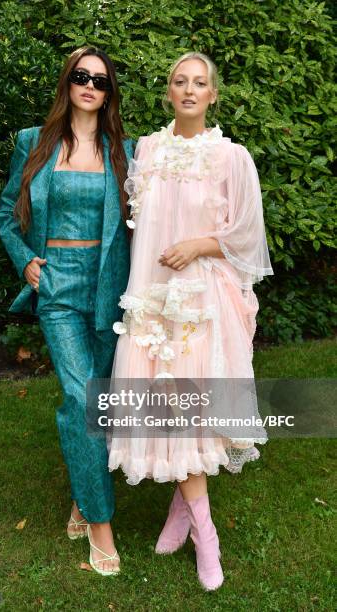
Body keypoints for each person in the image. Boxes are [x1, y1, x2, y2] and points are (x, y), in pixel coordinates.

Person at [108, 52, 274, 590]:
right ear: (168, 92)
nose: (188, 90)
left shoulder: (232, 158)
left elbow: (249, 237)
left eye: (199, 83)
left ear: (212, 95)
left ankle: (204, 533)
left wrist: (202, 244)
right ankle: (185, 512)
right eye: (179, 81)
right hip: (152, 302)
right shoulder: (147, 151)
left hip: (204, 301)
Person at [0, 46, 135, 576]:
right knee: (81, 399)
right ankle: (101, 526)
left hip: (109, 288)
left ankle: (83, 493)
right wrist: (25, 260)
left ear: (109, 92)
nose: (90, 85)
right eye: (81, 76)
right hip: (56, 287)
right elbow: (9, 213)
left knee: (99, 405)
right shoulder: (33, 143)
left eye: (100, 80)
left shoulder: (125, 150)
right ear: (67, 83)